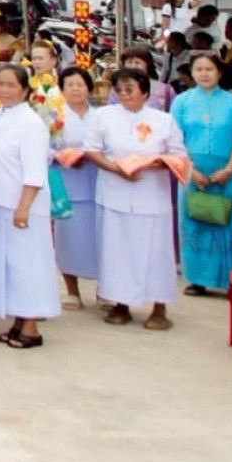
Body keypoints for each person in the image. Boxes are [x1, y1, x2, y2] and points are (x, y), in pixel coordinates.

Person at [88, 65, 184, 329]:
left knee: (155, 252)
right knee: (117, 251)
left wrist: (152, 163)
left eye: (129, 89)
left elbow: (179, 156)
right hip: (114, 193)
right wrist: (116, 168)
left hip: (151, 196)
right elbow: (92, 150)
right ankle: (120, 304)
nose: (123, 94)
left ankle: (159, 307)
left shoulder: (163, 120)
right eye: (118, 89)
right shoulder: (104, 116)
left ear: (144, 91)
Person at [0, 63, 59, 349]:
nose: (4, 89)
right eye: (0, 83)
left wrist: (23, 207)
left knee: (28, 266)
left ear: (25, 89)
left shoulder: (31, 123)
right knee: (7, 266)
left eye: (11, 85)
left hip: (22, 206)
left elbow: (34, 172)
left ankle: (32, 326)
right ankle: (17, 319)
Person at [167, 49, 232, 298]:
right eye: (199, 70)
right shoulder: (181, 102)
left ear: (219, 72)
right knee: (194, 223)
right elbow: (175, 142)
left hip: (228, 173)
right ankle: (196, 279)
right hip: (192, 172)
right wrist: (191, 171)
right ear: (191, 73)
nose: (204, 74)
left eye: (209, 69)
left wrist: (228, 170)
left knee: (230, 225)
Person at [46, 64, 100, 307]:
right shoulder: (54, 116)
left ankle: (104, 290)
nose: (76, 89)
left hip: (98, 181)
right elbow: (44, 147)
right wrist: (61, 156)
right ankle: (72, 291)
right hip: (67, 181)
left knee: (100, 239)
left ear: (89, 87)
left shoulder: (100, 116)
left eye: (80, 84)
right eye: (70, 85)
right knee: (69, 239)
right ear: (62, 89)